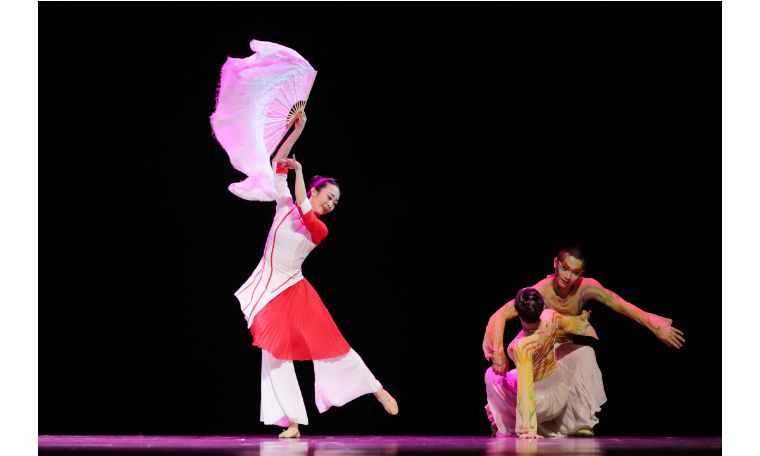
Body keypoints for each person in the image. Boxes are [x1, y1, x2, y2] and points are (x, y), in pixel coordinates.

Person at [234, 113, 398, 438]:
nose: (332, 204)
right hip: (268, 286)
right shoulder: (284, 204)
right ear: (315, 190)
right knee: (273, 352)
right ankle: (293, 422)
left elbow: (302, 202)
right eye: (329, 197)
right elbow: (278, 163)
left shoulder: (319, 229)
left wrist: (299, 171)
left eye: (336, 202)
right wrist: (298, 130)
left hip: (293, 290)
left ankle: (375, 388)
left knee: (331, 344)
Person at [482, 247, 685, 436]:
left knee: (585, 354)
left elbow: (620, 304)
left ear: (582, 273)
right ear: (555, 263)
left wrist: (656, 327)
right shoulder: (541, 291)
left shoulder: (586, 288)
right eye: (565, 268)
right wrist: (498, 353)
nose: (568, 276)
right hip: (539, 351)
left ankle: (582, 422)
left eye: (575, 272)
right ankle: (516, 422)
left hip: (562, 349)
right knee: (511, 382)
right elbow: (500, 315)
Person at [485, 287, 599, 438]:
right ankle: (509, 422)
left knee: (491, 375)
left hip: (541, 405)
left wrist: (528, 429)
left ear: (518, 313)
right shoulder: (550, 316)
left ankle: (508, 424)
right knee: (515, 374)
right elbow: (572, 323)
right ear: (542, 307)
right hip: (560, 391)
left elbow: (526, 387)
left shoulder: (521, 345)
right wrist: (583, 318)